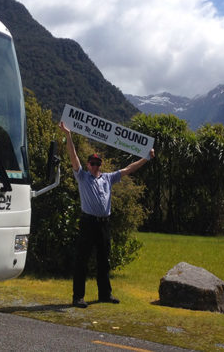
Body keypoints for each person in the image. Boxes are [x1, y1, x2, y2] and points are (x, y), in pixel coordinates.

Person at [59, 121, 155, 308]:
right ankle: (78, 297)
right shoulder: (82, 176)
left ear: (100, 165)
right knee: (83, 260)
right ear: (88, 165)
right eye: (92, 163)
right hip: (88, 223)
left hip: (104, 224)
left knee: (104, 260)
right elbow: (73, 157)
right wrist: (68, 135)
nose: (95, 166)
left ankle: (105, 294)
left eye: (97, 163)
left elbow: (129, 169)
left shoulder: (108, 178)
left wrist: (146, 158)